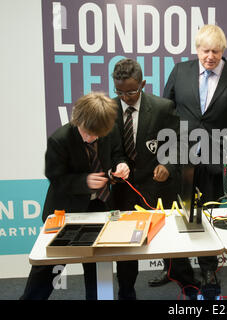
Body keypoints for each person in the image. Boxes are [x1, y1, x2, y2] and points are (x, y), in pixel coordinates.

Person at [162, 24, 227, 299]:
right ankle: (175, 268)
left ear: (223, 51)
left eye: (215, 51)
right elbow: (165, 109)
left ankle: (209, 269)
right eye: (205, 51)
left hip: (216, 159)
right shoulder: (180, 71)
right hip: (181, 155)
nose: (210, 57)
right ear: (197, 49)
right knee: (179, 213)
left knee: (210, 214)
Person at [20, 92, 130, 300]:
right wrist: (84, 182)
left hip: (101, 207)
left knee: (97, 271)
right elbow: (56, 178)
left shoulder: (109, 129)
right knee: (47, 271)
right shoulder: (59, 139)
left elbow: (117, 154)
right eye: (88, 133)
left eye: (98, 134)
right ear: (77, 120)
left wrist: (120, 165)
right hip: (66, 210)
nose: (92, 138)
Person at [110, 58, 182, 297]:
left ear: (142, 84)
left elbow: (178, 143)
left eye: (131, 91)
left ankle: (183, 284)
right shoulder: (109, 109)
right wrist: (117, 164)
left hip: (157, 189)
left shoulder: (163, 107)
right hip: (123, 190)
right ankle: (126, 291)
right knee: (125, 251)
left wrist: (168, 165)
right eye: (119, 91)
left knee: (169, 247)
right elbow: (108, 148)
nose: (125, 97)